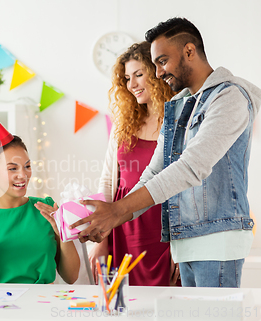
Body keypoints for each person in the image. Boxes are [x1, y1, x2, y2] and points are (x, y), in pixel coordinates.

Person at [72, 17, 261, 288]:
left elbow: (191, 166)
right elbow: (154, 171)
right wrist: (113, 218)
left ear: (189, 51)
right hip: (186, 241)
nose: (158, 72)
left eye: (162, 61)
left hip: (217, 240)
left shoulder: (229, 97)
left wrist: (118, 210)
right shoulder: (181, 105)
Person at [0, 107, 80, 284]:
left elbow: (71, 277)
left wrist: (63, 233)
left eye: (27, 166)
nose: (23, 175)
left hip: (41, 304)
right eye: (12, 168)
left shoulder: (46, 208)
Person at [89, 42, 178, 286]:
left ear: (157, 73)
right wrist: (102, 239)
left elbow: (187, 187)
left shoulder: (178, 122)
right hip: (123, 227)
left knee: (167, 303)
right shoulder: (123, 123)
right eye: (127, 78)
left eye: (139, 74)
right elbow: (108, 181)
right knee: (124, 304)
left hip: (164, 229)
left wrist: (182, 246)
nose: (132, 85)